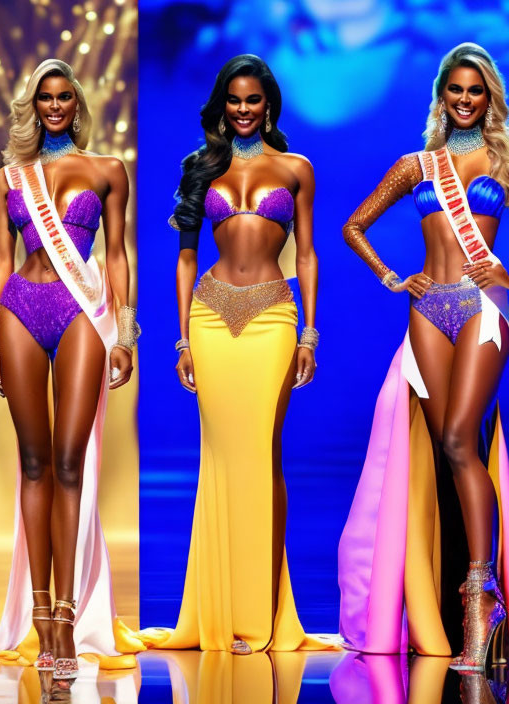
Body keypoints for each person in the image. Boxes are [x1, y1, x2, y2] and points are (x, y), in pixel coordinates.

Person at [338, 43, 509, 669]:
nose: (465, 100)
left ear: (489, 96)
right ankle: (449, 594)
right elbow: (354, 225)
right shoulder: (417, 165)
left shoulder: (507, 161)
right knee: (444, 445)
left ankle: (480, 594)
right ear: (442, 95)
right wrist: (394, 277)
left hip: (479, 309)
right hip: (427, 310)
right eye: (455, 90)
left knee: (464, 441)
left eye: (476, 90)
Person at [147, 54, 332, 654]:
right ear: (222, 106)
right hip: (209, 314)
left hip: (273, 316)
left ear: (269, 104)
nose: (245, 109)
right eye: (235, 100)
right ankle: (217, 612)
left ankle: (262, 615)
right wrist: (181, 338)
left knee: (259, 455)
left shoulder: (296, 168)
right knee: (222, 461)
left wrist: (309, 334)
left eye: (254, 100)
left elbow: (306, 254)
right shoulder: (201, 168)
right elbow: (184, 259)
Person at [0, 58, 142, 679]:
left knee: (71, 462)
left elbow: (118, 254)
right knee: (35, 461)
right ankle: (41, 613)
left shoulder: (106, 170)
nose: (53, 106)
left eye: (63, 97)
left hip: (82, 311)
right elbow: (0, 257)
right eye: (44, 97)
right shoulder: (10, 177)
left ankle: (69, 617)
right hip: (22, 305)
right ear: (35, 104)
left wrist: (124, 333)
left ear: (77, 105)